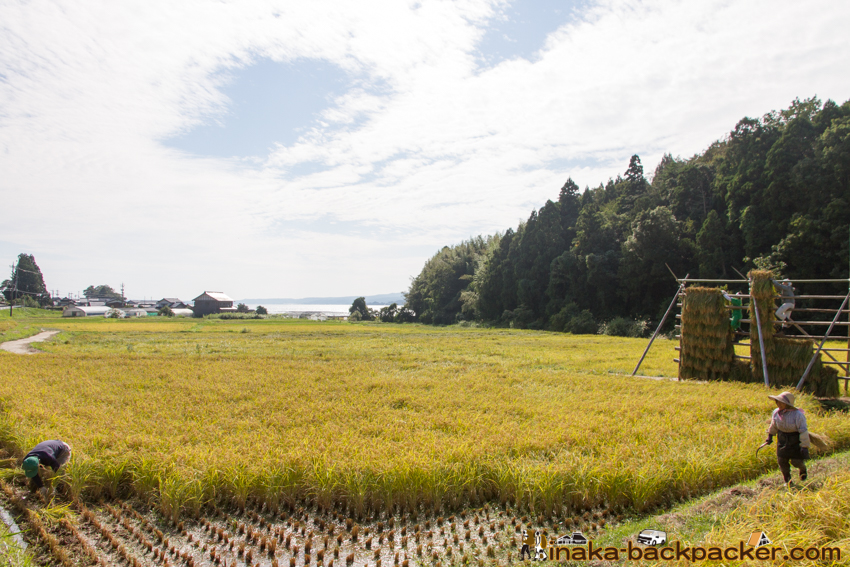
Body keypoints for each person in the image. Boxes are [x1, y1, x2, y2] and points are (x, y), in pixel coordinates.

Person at [763, 392, 808, 485]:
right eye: (777, 402)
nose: (778, 404)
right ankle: (788, 481)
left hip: (795, 440)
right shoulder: (776, 413)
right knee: (782, 461)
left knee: (796, 461)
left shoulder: (798, 415)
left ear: (787, 404)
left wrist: (804, 446)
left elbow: (803, 431)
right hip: (782, 439)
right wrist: (770, 436)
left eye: (781, 402)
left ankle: (802, 468)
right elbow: (773, 425)